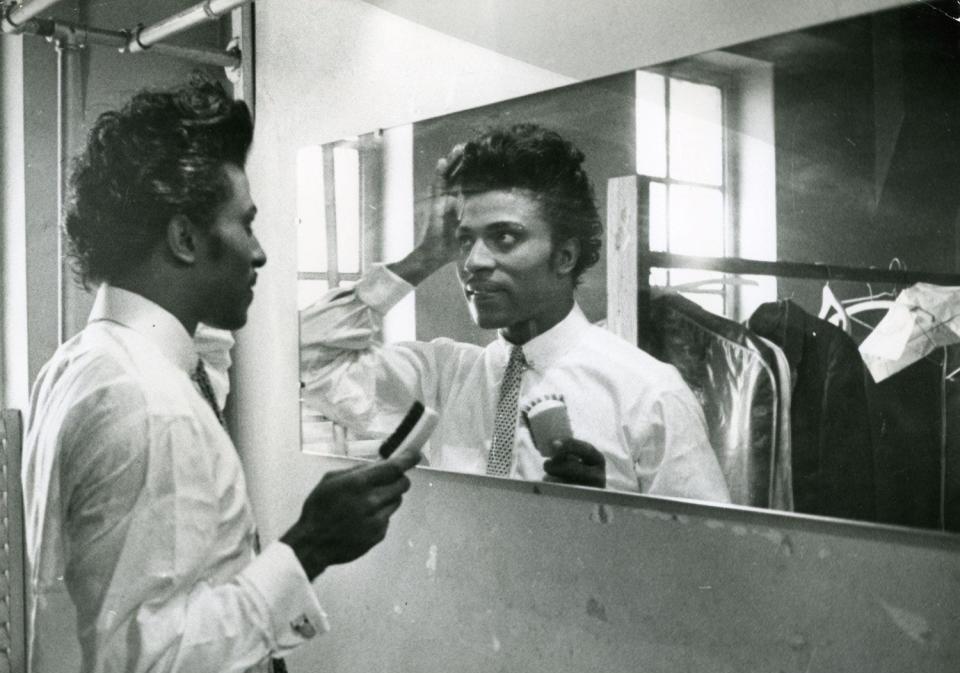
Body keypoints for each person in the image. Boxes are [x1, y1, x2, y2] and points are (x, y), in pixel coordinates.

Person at [22, 76, 418, 673]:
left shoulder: (91, 363)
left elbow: (210, 352)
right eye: (246, 223)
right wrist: (308, 547)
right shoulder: (149, 405)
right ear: (183, 237)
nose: (261, 251)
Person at [300, 123, 729, 500]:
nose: (473, 263)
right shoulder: (442, 377)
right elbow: (305, 358)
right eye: (466, 241)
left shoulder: (648, 394)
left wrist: (610, 518)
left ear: (564, 256)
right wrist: (426, 256)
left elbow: (700, 566)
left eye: (504, 237)